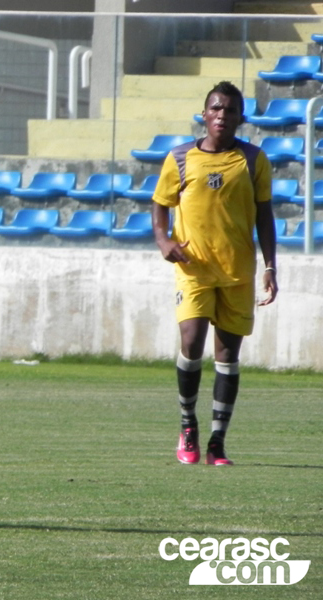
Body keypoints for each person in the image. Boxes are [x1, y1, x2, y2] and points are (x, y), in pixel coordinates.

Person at [151, 80, 278, 466]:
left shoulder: (253, 160)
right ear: (204, 114)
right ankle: (188, 424)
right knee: (191, 342)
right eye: (216, 108)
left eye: (230, 110)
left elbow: (265, 216)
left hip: (237, 271)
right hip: (194, 268)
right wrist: (164, 240)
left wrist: (270, 266)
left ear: (241, 118)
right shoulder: (179, 158)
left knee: (227, 354)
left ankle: (217, 443)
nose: (222, 115)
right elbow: (159, 203)